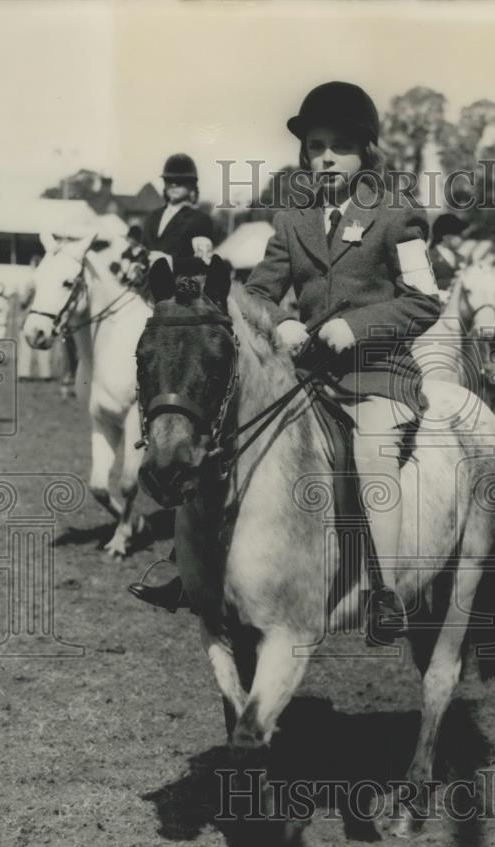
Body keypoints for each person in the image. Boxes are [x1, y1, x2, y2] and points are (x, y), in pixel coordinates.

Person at [131, 81, 442, 645]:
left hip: (378, 377)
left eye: (340, 146)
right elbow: (258, 293)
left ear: (367, 152)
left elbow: (426, 300)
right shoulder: (293, 220)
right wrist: (282, 321)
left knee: (372, 449)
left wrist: (358, 326)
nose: (325, 157)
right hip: (307, 377)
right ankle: (191, 572)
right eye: (316, 145)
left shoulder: (399, 215)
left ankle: (386, 591)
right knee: (227, 436)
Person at [141, 154, 215, 276]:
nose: (174, 184)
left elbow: (204, 263)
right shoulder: (152, 217)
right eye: (169, 180)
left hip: (180, 289)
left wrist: (170, 263)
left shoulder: (200, 220)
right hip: (145, 288)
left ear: (192, 184)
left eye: (180, 180)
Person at [429, 213, 466, 302]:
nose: (461, 239)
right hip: (436, 301)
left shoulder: (460, 258)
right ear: (446, 237)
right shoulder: (430, 256)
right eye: (458, 235)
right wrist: (451, 282)